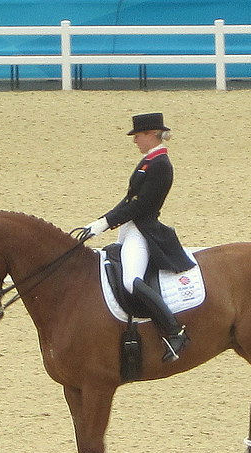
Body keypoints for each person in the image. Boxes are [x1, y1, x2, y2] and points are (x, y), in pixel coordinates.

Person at [81, 112, 194, 363]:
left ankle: (175, 331)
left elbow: (141, 206)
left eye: (138, 136)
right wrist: (99, 221)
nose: (135, 141)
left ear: (151, 134)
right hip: (130, 229)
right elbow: (128, 199)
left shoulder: (161, 164)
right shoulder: (148, 162)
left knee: (132, 281)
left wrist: (105, 223)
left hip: (143, 231)